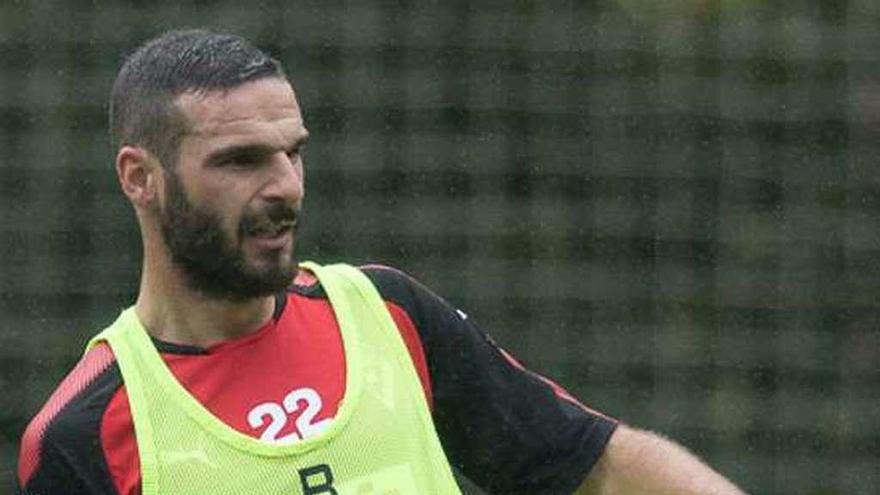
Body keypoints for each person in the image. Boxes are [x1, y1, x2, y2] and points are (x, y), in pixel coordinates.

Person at [17, 29, 746, 495]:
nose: (285, 188)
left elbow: (600, 465)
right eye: (241, 161)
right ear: (139, 177)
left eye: (293, 152)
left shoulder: (386, 314)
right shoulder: (88, 431)